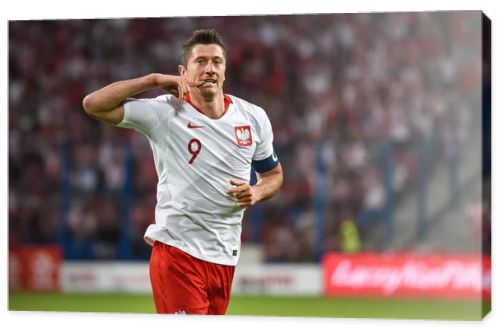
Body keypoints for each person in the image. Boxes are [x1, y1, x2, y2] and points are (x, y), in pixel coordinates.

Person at [82, 29, 283, 315]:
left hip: (224, 257)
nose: (209, 68)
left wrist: (256, 191)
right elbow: (93, 104)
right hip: (178, 253)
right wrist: (152, 80)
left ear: (225, 70)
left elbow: (274, 176)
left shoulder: (253, 117)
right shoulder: (165, 112)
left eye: (216, 61)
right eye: (200, 62)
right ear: (183, 71)